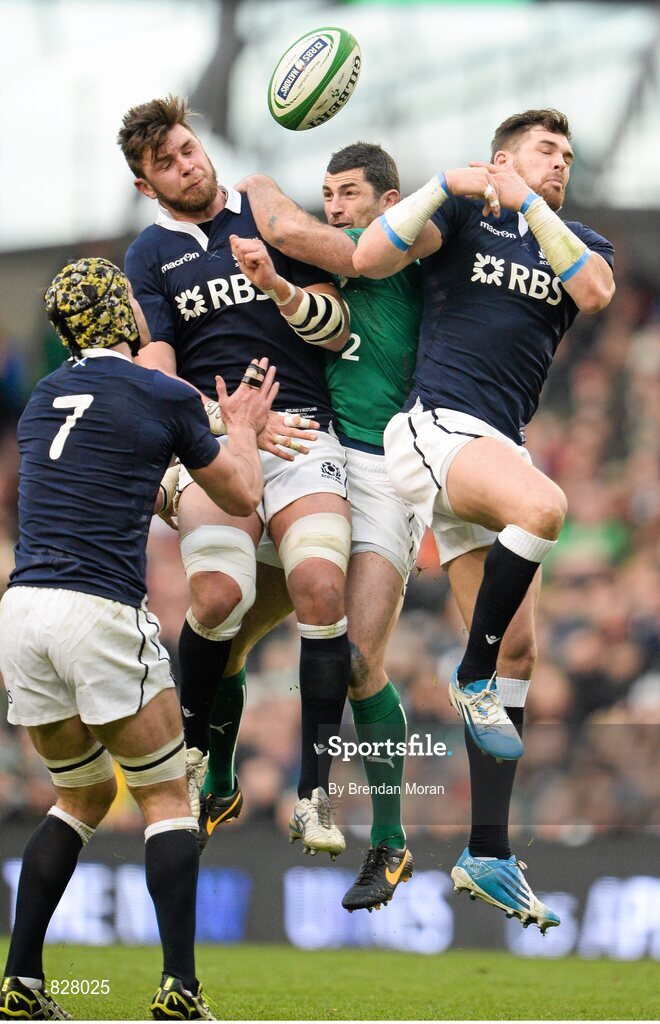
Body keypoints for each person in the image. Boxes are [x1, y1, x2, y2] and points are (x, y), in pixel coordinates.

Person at [353, 109, 615, 930]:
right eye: (546, 152)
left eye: (568, 156)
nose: (561, 163)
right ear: (503, 157)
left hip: (492, 444)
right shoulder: (464, 217)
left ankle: (488, 853)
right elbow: (368, 252)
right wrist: (444, 182)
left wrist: (532, 202)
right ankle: (468, 675)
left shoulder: (577, 240)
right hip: (437, 426)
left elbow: (596, 292)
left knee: (524, 651)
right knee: (543, 506)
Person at [0, 257, 276, 1020]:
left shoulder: (44, 398)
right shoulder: (161, 391)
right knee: (166, 796)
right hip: (96, 609)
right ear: (124, 313)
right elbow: (241, 493)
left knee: (80, 793)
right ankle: (180, 991)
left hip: (22, 614)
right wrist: (243, 431)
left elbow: (108, 475)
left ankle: (21, 982)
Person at [118, 95, 353, 857]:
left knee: (321, 585)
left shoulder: (266, 209)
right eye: (165, 163)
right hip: (216, 440)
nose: (185, 164)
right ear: (146, 184)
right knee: (218, 597)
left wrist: (278, 285)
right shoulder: (149, 256)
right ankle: (194, 762)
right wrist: (227, 426)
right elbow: (156, 367)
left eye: (187, 148)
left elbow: (340, 323)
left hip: (300, 427)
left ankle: (313, 795)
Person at [207, 143, 423, 910]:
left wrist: (263, 186)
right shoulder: (323, 265)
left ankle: (390, 841)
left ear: (388, 199)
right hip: (316, 454)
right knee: (226, 624)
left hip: (384, 469)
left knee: (359, 657)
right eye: (325, 193)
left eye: (349, 193)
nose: (334, 206)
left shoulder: (388, 250)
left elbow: (293, 235)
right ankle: (222, 775)